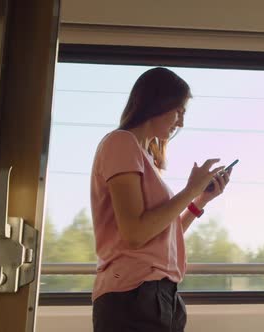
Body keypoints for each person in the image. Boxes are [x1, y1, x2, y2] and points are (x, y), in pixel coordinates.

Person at [90, 67, 232, 332]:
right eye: (179, 111)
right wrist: (190, 189)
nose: (181, 122)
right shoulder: (121, 143)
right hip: (133, 295)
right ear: (158, 103)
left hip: (160, 296)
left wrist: (199, 200)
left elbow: (162, 234)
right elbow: (135, 233)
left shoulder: (147, 159)